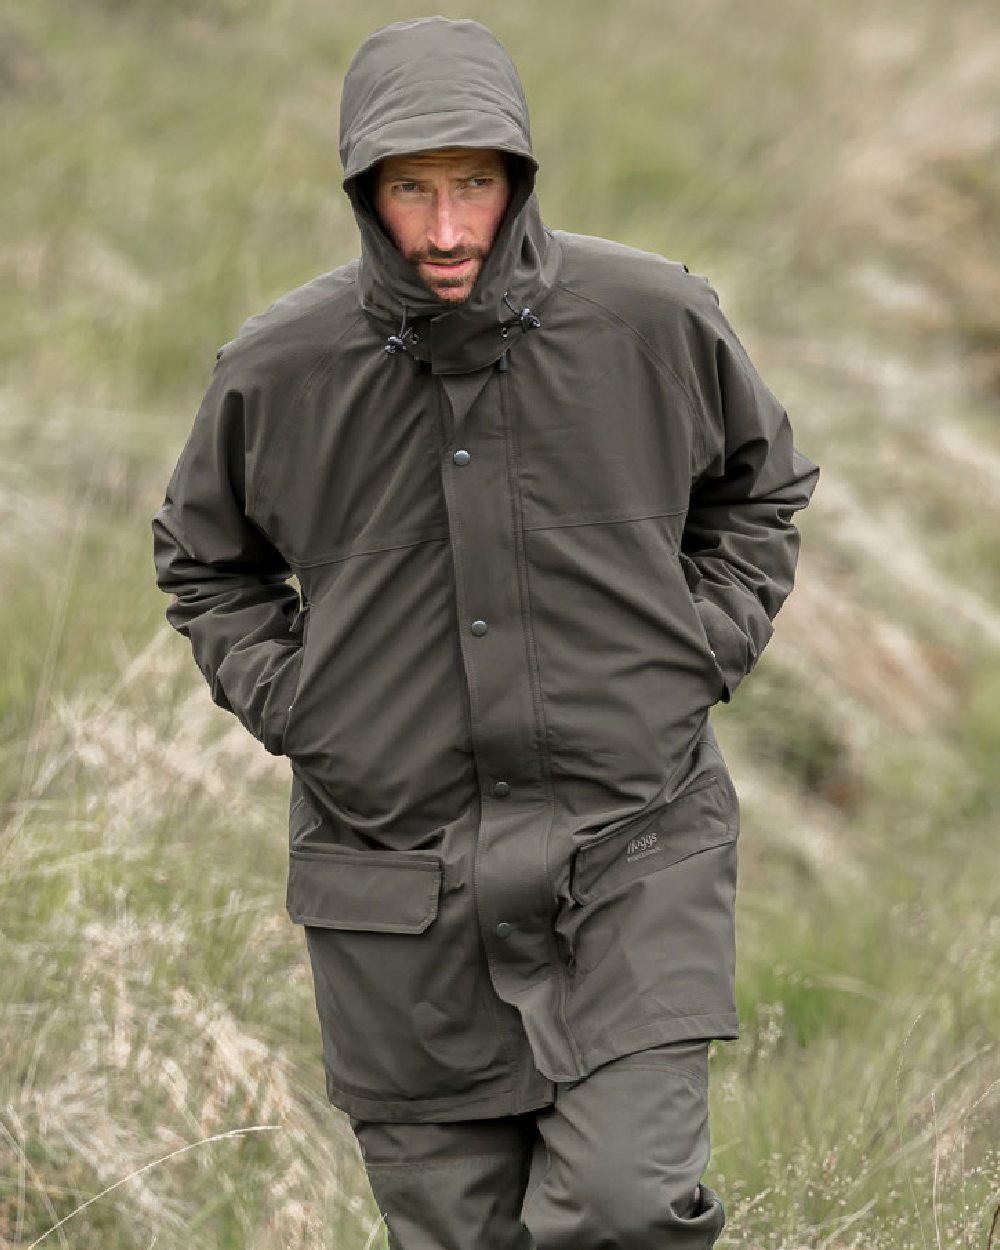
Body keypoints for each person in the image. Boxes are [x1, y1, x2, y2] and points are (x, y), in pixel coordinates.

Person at [152, 15, 819, 1249]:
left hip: (632, 842)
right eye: (413, 191)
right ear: (365, 191)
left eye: (473, 185)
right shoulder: (278, 369)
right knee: (456, 1234)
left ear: (518, 177)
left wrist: (696, 651)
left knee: (624, 1204)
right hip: (393, 879)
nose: (448, 229)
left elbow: (759, 487)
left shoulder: (650, 319)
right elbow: (203, 561)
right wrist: (311, 712)